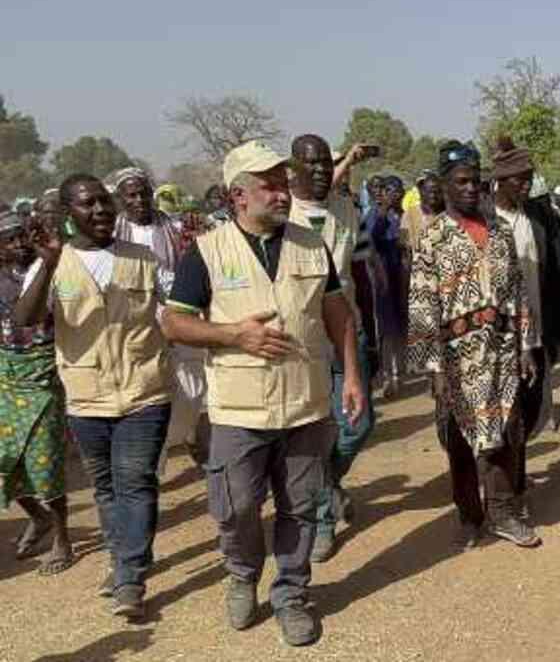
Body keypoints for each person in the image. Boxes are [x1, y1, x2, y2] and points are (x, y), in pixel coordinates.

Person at [162, 141, 365, 646]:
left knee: (299, 505)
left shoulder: (310, 243)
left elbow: (337, 311)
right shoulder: (206, 252)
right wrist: (234, 335)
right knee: (235, 507)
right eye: (269, 184)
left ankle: (292, 595)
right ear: (239, 196)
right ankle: (242, 574)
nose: (282, 191)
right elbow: (174, 322)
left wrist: (354, 375)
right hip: (238, 409)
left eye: (283, 181)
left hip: (305, 403)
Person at [14, 174, 173, 619]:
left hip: (145, 391)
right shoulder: (51, 263)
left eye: (104, 201)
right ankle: (122, 559)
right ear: (68, 215)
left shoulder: (144, 257)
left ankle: (129, 577)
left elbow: (176, 308)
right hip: (86, 398)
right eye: (88, 204)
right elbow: (25, 319)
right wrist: (46, 264)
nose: (101, 210)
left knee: (136, 482)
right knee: (106, 489)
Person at [409, 139, 541, 547]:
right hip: (455, 360)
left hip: (501, 352)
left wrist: (524, 346)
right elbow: (421, 304)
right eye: (462, 181)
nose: (471, 188)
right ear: (445, 185)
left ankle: (503, 511)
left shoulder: (499, 232)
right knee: (461, 439)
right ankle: (469, 516)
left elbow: (517, 290)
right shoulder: (432, 240)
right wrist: (434, 370)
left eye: (475, 181)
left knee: (506, 432)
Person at [286, 135, 377, 564]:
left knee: (358, 424)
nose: (321, 170)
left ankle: (330, 484)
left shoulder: (345, 209)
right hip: (301, 340)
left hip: (346, 331)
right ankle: (323, 520)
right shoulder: (281, 212)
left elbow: (358, 270)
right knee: (314, 433)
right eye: (312, 164)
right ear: (293, 169)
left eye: (327, 163)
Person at [491, 136, 560, 508]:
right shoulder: (485, 220)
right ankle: (506, 491)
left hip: (535, 331)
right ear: (500, 181)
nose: (526, 185)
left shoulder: (537, 218)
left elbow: (557, 266)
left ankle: (517, 479)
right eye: (518, 179)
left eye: (529, 178)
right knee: (506, 416)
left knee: (527, 410)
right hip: (496, 336)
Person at [105, 167, 207, 472]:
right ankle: (152, 465)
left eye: (143, 193)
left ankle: (189, 436)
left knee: (192, 390)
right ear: (121, 199)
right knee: (146, 396)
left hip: (177, 313)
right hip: (134, 322)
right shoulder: (111, 235)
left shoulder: (175, 227)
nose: (139, 200)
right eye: (131, 195)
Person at [0, 212, 72, 576]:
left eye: (23, 237)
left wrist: (48, 263)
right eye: (10, 240)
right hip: (6, 377)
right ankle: (38, 517)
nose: (19, 245)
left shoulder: (53, 271)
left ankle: (62, 537)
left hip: (45, 374)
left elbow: (27, 317)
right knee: (3, 462)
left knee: (44, 462)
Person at [366, 175, 409, 397]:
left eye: (396, 190)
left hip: (400, 275)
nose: (394, 194)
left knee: (401, 324)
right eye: (388, 190)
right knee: (386, 327)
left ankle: (400, 372)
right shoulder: (374, 215)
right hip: (382, 277)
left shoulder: (401, 215)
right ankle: (389, 375)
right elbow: (371, 240)